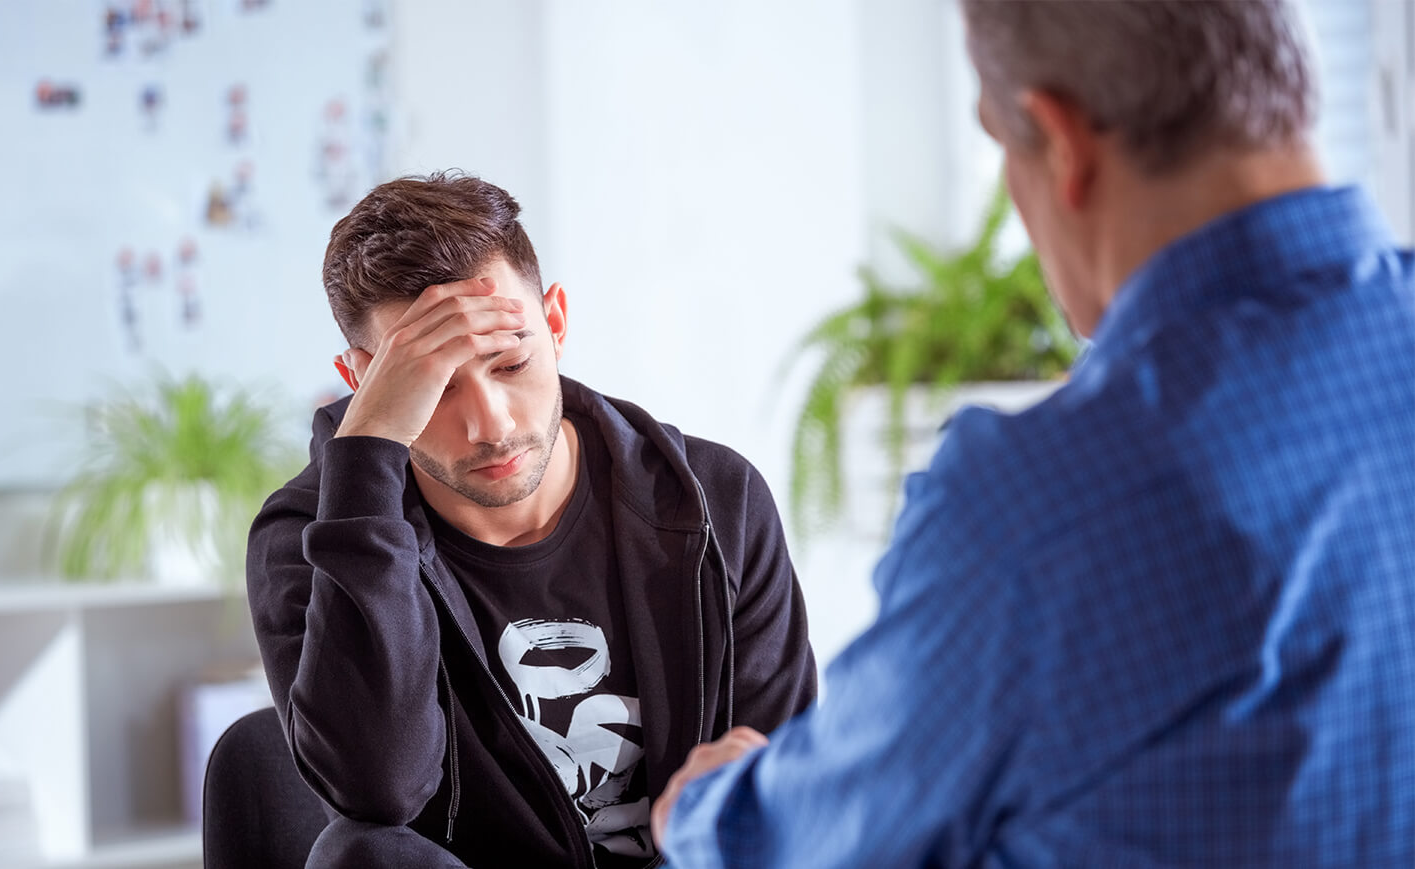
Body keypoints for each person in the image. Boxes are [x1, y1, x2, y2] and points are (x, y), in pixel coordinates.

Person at [652, 1, 1415, 866]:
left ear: (1061, 143)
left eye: (1000, 141)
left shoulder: (1038, 504)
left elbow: (802, 844)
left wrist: (704, 808)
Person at [245, 172, 817, 868]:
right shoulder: (306, 536)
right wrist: (364, 458)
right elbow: (378, 791)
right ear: (362, 380)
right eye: (433, 387)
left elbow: (786, 796)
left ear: (555, 322)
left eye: (510, 362)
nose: (492, 423)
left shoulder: (717, 501)